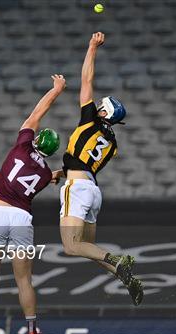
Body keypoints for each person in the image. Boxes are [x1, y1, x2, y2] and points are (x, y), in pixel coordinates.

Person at [0, 75, 66, 334]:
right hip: (21, 219)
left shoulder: (23, 144)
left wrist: (56, 89)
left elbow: (38, 111)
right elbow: (20, 196)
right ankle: (33, 331)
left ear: (37, 139)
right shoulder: (46, 173)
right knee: (24, 280)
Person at [58, 32, 143, 306]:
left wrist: (92, 47)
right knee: (89, 249)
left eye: (100, 107)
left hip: (78, 188)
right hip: (93, 191)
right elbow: (83, 161)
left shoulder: (89, 121)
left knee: (71, 247)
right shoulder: (112, 142)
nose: (96, 106)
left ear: (104, 114)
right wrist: (60, 172)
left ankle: (116, 259)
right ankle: (125, 276)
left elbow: (86, 80)